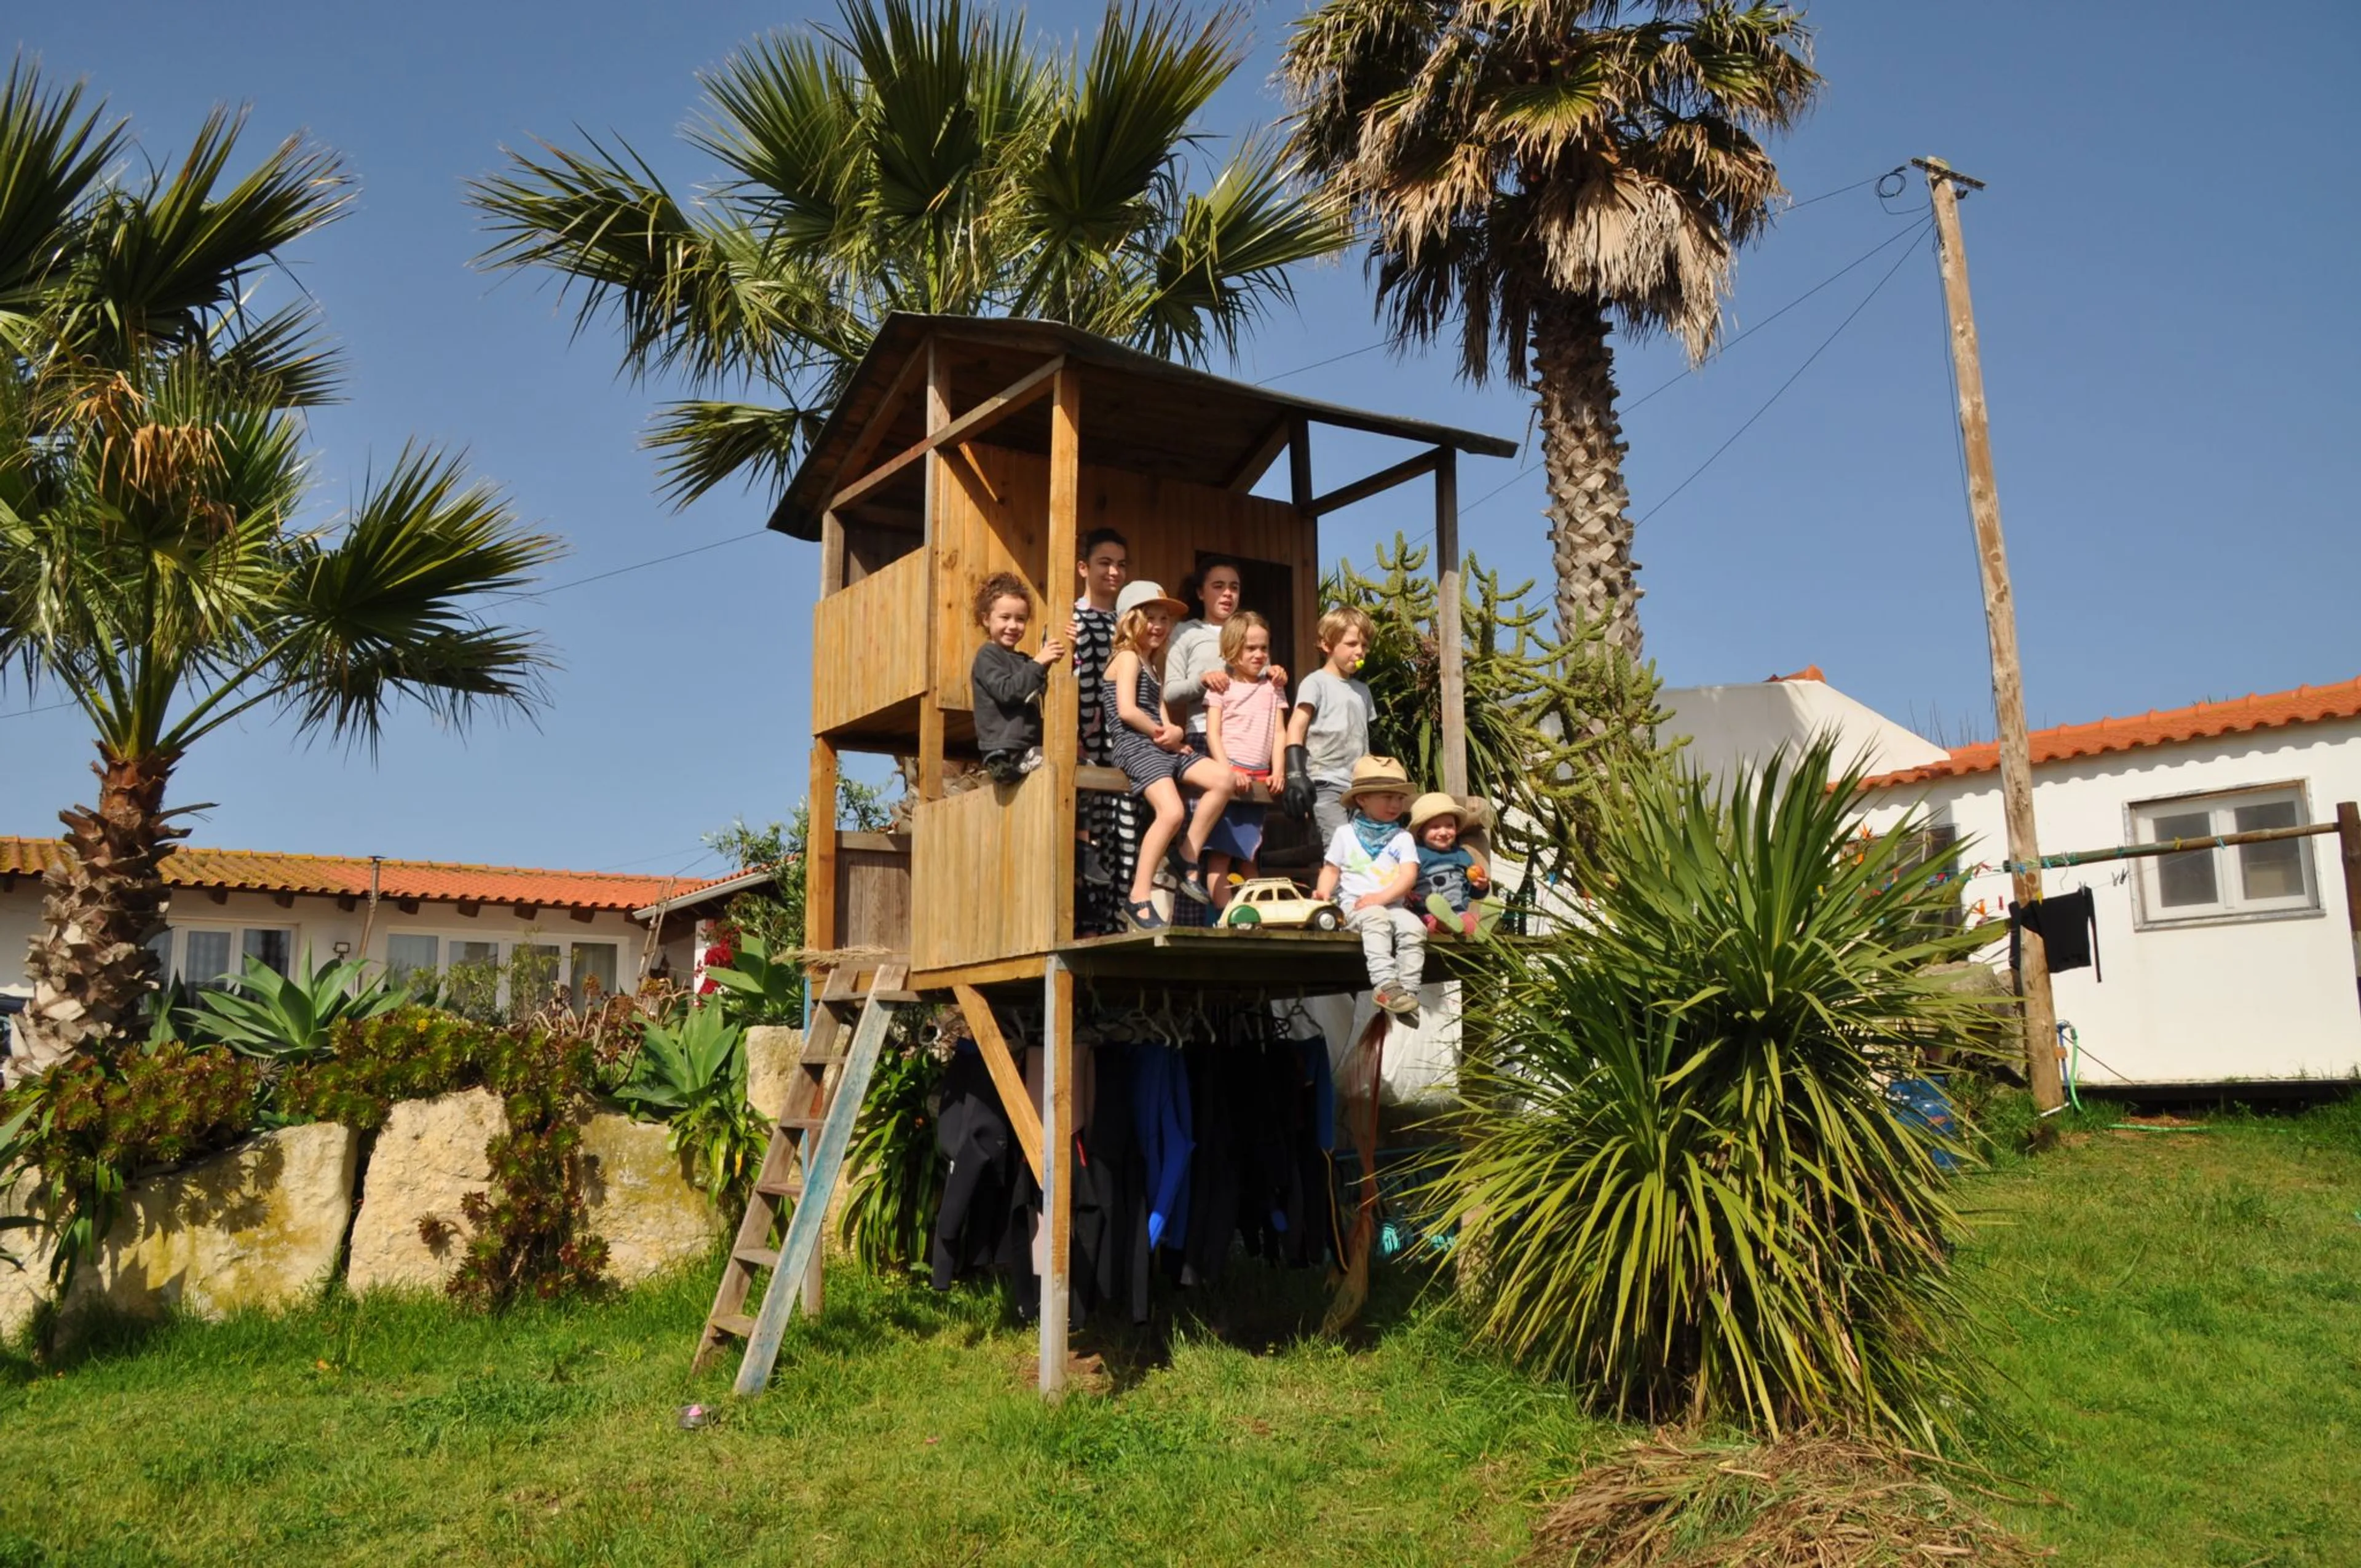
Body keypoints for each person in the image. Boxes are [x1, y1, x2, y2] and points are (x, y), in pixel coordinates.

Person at [1102, 580, 1236, 930]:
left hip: (1159, 742)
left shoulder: (1151, 662)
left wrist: (1174, 737)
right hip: (1134, 744)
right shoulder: (1127, 658)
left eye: (1164, 619)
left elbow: (1159, 709)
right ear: (1131, 619)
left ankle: (1186, 854)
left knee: (1223, 780)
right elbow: (1128, 710)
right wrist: (1164, 734)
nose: (1159, 626)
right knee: (1172, 811)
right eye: (1151, 618)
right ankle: (1138, 897)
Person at [1313, 756, 1423, 1017]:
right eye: (1388, 797)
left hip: (1390, 905)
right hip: (1356, 906)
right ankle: (1385, 984)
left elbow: (1408, 876)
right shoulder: (1345, 834)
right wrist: (1323, 893)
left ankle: (1408, 992)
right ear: (1363, 799)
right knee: (1375, 918)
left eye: (1400, 798)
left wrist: (1381, 898)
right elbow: (1331, 869)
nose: (1396, 804)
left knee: (1415, 927)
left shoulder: (1403, 838)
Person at [1067, 528, 1135, 932]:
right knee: (1082, 839)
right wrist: (1072, 737)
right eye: (1104, 563)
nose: (1114, 572)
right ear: (1083, 568)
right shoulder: (1069, 620)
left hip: (1124, 743)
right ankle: (1084, 925)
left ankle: (1117, 925)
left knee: (1122, 839)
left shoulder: (1129, 625)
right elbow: (1060, 684)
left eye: (1121, 564)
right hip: (1082, 743)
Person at [1201, 611, 1286, 910]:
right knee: (1221, 854)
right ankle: (1227, 915)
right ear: (1231, 649)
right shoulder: (1221, 687)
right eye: (1251, 648)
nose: (1259, 654)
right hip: (1231, 775)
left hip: (1259, 779)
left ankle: (1254, 914)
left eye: (1264, 648)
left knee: (1249, 853)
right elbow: (1213, 733)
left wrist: (1279, 771)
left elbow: (1279, 732)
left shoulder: (1273, 687)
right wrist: (1226, 771)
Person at [1163, 559, 1286, 748]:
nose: (1228, 593)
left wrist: (1274, 674)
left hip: (1251, 732)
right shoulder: (1185, 632)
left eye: (1234, 587)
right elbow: (1171, 693)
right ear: (1200, 593)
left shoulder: (1253, 630)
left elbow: (1262, 677)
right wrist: (1203, 680)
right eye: (1218, 586)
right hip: (1203, 731)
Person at [1282, 606, 1377, 842]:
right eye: (1352, 644)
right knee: (1339, 846)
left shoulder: (1363, 691)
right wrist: (1295, 773)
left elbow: (1363, 736)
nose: (1360, 652)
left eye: (1364, 646)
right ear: (1327, 645)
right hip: (1325, 782)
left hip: (1358, 787)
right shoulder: (1316, 682)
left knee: (1360, 849)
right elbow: (1297, 726)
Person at [968, 572, 1066, 783]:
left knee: (1080, 766)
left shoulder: (1025, 662)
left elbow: (1036, 680)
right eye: (1005, 618)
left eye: (1020, 619)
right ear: (986, 619)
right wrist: (1039, 663)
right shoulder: (988, 656)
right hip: (1004, 756)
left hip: (1027, 750)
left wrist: (1062, 647)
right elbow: (1008, 691)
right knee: (1062, 765)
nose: (1013, 626)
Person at [1407, 792, 1503, 938]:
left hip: (1459, 912)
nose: (1443, 832)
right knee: (1432, 924)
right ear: (1421, 831)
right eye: (1435, 827)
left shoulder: (1462, 856)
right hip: (1425, 913)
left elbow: (1470, 892)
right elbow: (1406, 877)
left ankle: (1481, 928)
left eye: (1449, 826)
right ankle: (1444, 923)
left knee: (1469, 921)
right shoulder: (1415, 853)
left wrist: (1480, 887)